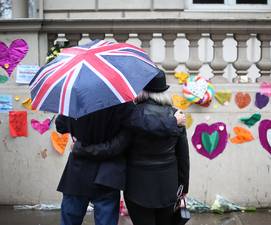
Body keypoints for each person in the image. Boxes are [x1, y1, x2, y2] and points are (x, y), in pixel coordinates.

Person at [55, 70, 186, 225]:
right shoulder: (121, 106)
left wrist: (79, 145)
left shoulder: (74, 103)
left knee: (69, 221)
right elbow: (143, 125)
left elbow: (60, 126)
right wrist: (172, 122)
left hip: (77, 173)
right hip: (107, 177)